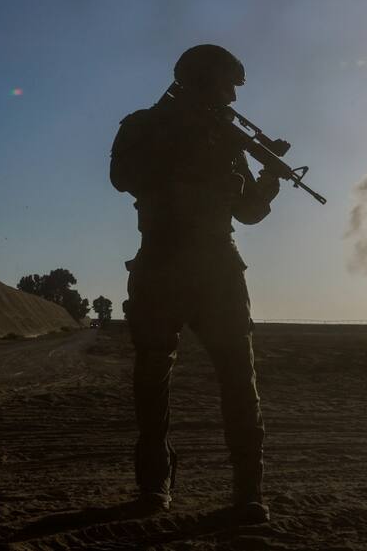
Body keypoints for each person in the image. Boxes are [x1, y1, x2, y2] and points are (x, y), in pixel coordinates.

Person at [110, 45, 280, 523]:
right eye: (226, 85)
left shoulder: (224, 138)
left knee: (237, 382)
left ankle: (248, 493)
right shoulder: (144, 124)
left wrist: (267, 181)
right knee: (152, 381)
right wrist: (192, 158)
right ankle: (154, 487)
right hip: (165, 260)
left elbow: (246, 213)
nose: (231, 96)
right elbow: (123, 177)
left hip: (215, 266)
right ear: (201, 81)